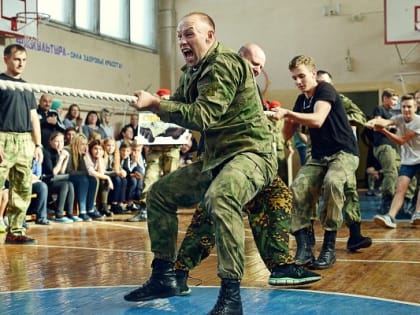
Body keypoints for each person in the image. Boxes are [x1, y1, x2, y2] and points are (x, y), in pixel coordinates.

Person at [124, 12, 277, 314]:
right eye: (179, 36)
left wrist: (155, 103)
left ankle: (231, 297)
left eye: (189, 34)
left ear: (210, 35)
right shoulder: (192, 71)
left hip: (251, 154)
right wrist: (156, 102)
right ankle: (164, 275)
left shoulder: (223, 64)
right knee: (160, 194)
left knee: (221, 198)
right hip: (218, 159)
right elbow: (178, 107)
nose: (182, 41)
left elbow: (203, 116)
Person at [173, 43, 321, 294]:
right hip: (226, 159)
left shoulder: (245, 85)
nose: (257, 69)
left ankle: (280, 266)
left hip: (248, 162)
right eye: (254, 63)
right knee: (211, 215)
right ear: (237, 59)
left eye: (261, 66)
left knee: (275, 196)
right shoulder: (222, 76)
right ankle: (177, 273)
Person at [268, 55, 359, 270]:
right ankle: (304, 246)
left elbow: (317, 120)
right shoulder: (301, 100)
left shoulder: (325, 89)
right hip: (319, 157)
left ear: (313, 73)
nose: (298, 81)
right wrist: (279, 122)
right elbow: (287, 132)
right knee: (298, 188)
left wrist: (288, 113)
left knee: (333, 183)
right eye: (294, 78)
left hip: (343, 153)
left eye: (301, 76)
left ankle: (328, 247)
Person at [315, 70, 371, 252]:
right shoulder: (311, 101)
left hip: (344, 151)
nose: (322, 87)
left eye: (326, 83)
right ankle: (315, 238)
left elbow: (361, 116)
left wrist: (341, 119)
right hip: (321, 152)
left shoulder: (341, 100)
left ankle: (355, 235)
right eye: (319, 83)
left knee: (350, 190)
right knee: (322, 190)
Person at [0, 44, 43, 245]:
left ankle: (15, 231)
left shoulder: (26, 87)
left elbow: (34, 118)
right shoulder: (1, 83)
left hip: (25, 140)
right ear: (6, 59)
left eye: (24, 60)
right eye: (17, 59)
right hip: (3, 138)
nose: (21, 63)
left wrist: (38, 145)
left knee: (23, 188)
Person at [127, 89, 182, 222]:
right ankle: (145, 208)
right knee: (149, 178)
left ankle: (169, 208)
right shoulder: (150, 110)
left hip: (172, 149)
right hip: (155, 149)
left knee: (171, 179)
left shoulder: (176, 109)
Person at [368, 94, 420, 228]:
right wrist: (374, 122)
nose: (406, 109)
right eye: (403, 107)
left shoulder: (418, 122)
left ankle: (418, 213)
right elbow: (387, 122)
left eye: (409, 106)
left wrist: (383, 131)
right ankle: (390, 217)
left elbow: (401, 140)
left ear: (415, 107)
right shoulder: (398, 118)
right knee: (400, 189)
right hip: (408, 161)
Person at [42, 131, 80, 223]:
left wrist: (65, 159)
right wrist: (61, 159)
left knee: (70, 183)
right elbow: (54, 172)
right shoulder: (46, 153)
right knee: (65, 185)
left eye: (62, 141)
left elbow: (62, 172)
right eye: (57, 141)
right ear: (50, 141)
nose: (60, 144)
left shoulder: (59, 152)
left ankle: (70, 214)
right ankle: (59, 215)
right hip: (46, 181)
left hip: (56, 180)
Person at [66, 134, 103, 221]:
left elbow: (84, 170)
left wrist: (86, 155)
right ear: (76, 144)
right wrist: (85, 173)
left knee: (93, 180)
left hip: (77, 177)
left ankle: (90, 209)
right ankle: (82, 212)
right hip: (66, 177)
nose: (85, 146)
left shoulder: (82, 155)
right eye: (82, 144)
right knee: (84, 180)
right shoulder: (68, 151)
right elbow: (69, 171)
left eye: (86, 144)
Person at [102, 137, 127, 214]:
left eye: (113, 146)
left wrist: (123, 172)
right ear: (104, 146)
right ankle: (114, 203)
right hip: (105, 174)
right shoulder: (103, 155)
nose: (110, 148)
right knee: (117, 179)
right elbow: (103, 171)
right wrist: (116, 173)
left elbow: (118, 168)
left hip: (112, 174)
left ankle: (120, 203)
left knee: (123, 180)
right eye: (108, 145)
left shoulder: (115, 156)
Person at [27, 158, 50, 225]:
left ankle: (41, 217)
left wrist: (34, 178)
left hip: (32, 181)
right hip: (20, 181)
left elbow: (38, 176)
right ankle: (20, 220)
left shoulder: (37, 157)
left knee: (42, 186)